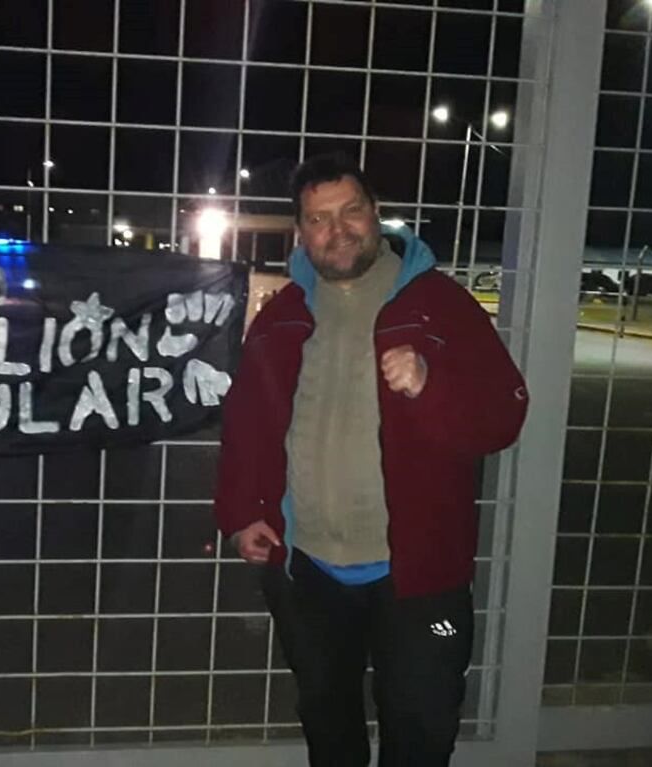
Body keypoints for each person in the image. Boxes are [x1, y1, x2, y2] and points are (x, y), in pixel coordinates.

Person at [214, 153, 528, 767]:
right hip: (308, 572)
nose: (339, 229)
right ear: (302, 233)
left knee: (423, 719)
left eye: (351, 210)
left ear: (375, 214)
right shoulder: (280, 318)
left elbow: (504, 415)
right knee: (327, 716)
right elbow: (247, 425)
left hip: (421, 581)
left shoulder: (441, 304)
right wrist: (240, 512)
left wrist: (430, 382)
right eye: (319, 218)